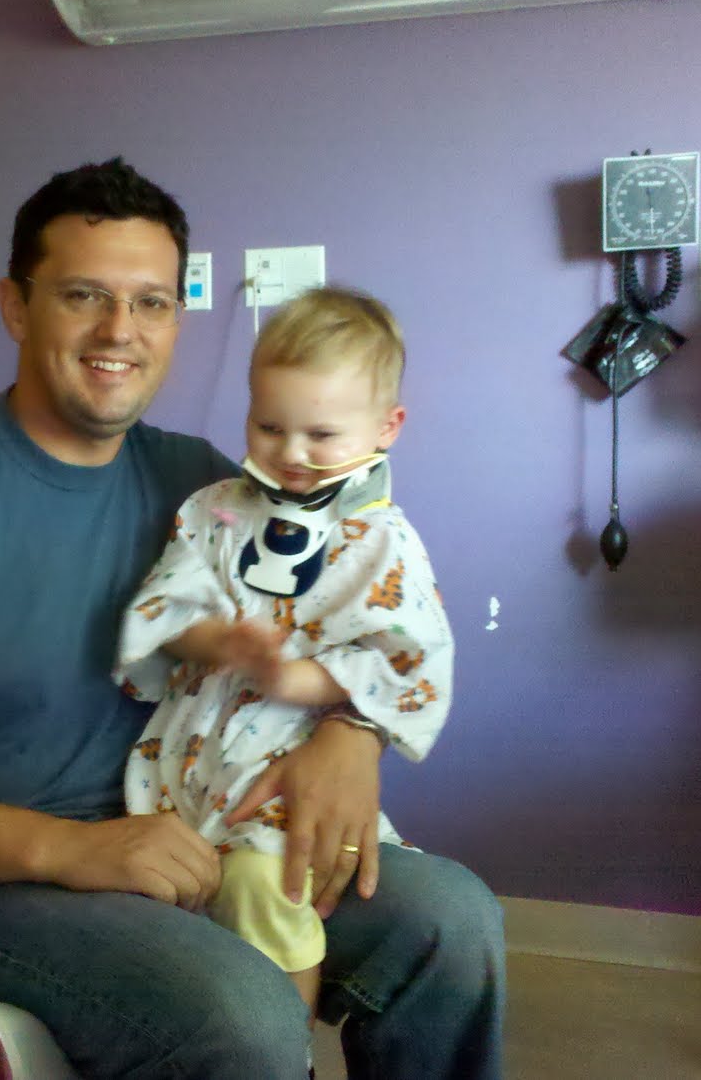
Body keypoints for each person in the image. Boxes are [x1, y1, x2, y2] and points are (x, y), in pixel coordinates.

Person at [0, 157, 506, 1080]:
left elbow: (355, 626)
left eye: (152, 302)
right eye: (84, 295)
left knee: (450, 922)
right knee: (241, 1012)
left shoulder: (210, 489)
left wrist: (354, 734)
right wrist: (72, 848)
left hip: (188, 820)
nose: (121, 330)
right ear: (15, 306)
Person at [115, 287, 455, 1034]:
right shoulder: (214, 510)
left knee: (267, 890)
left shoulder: (383, 542)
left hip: (290, 766)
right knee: (170, 903)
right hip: (189, 756)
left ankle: (282, 1045)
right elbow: (166, 604)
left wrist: (302, 678)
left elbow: (410, 656)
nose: (292, 453)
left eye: (321, 434)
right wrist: (214, 640)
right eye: (269, 426)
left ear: (387, 427)